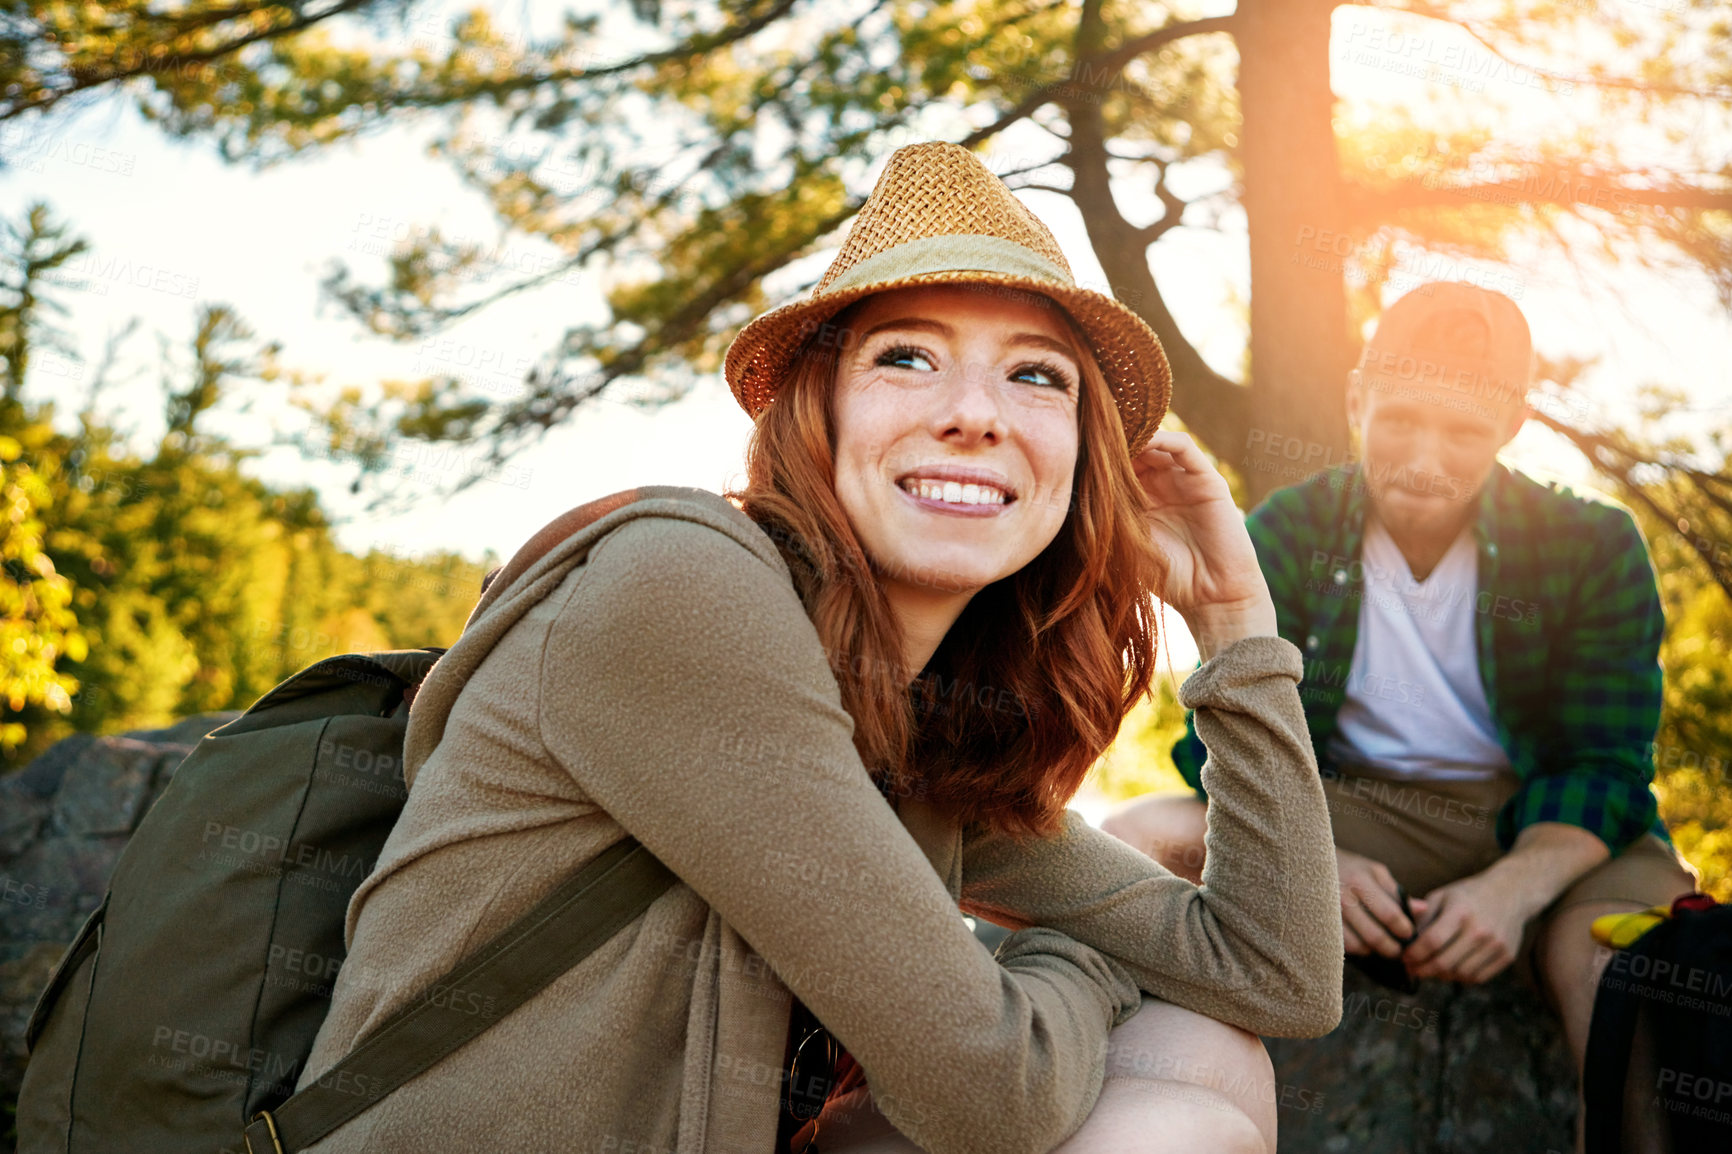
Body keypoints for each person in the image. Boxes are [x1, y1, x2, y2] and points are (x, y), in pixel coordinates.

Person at [293, 141, 1343, 1154]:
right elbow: (994, 1091)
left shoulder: (922, 722)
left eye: (1036, 377)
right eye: (906, 356)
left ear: (1079, 464)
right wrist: (1071, 949)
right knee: (1174, 1127)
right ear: (819, 414)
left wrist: (1234, 624)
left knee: (1204, 1043)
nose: (975, 413)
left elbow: (1275, 974)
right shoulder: (677, 586)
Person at [1101, 281, 1698, 1148]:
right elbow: (1220, 737)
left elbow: (1606, 765)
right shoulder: (1290, 530)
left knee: (1618, 964)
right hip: (1344, 805)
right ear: (1355, 400)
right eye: (1400, 421)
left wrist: (1511, 892)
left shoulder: (1593, 545)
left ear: (1511, 425)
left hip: (1539, 824)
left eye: (1463, 432)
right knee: (1131, 843)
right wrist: (1311, 862)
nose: (1426, 458)